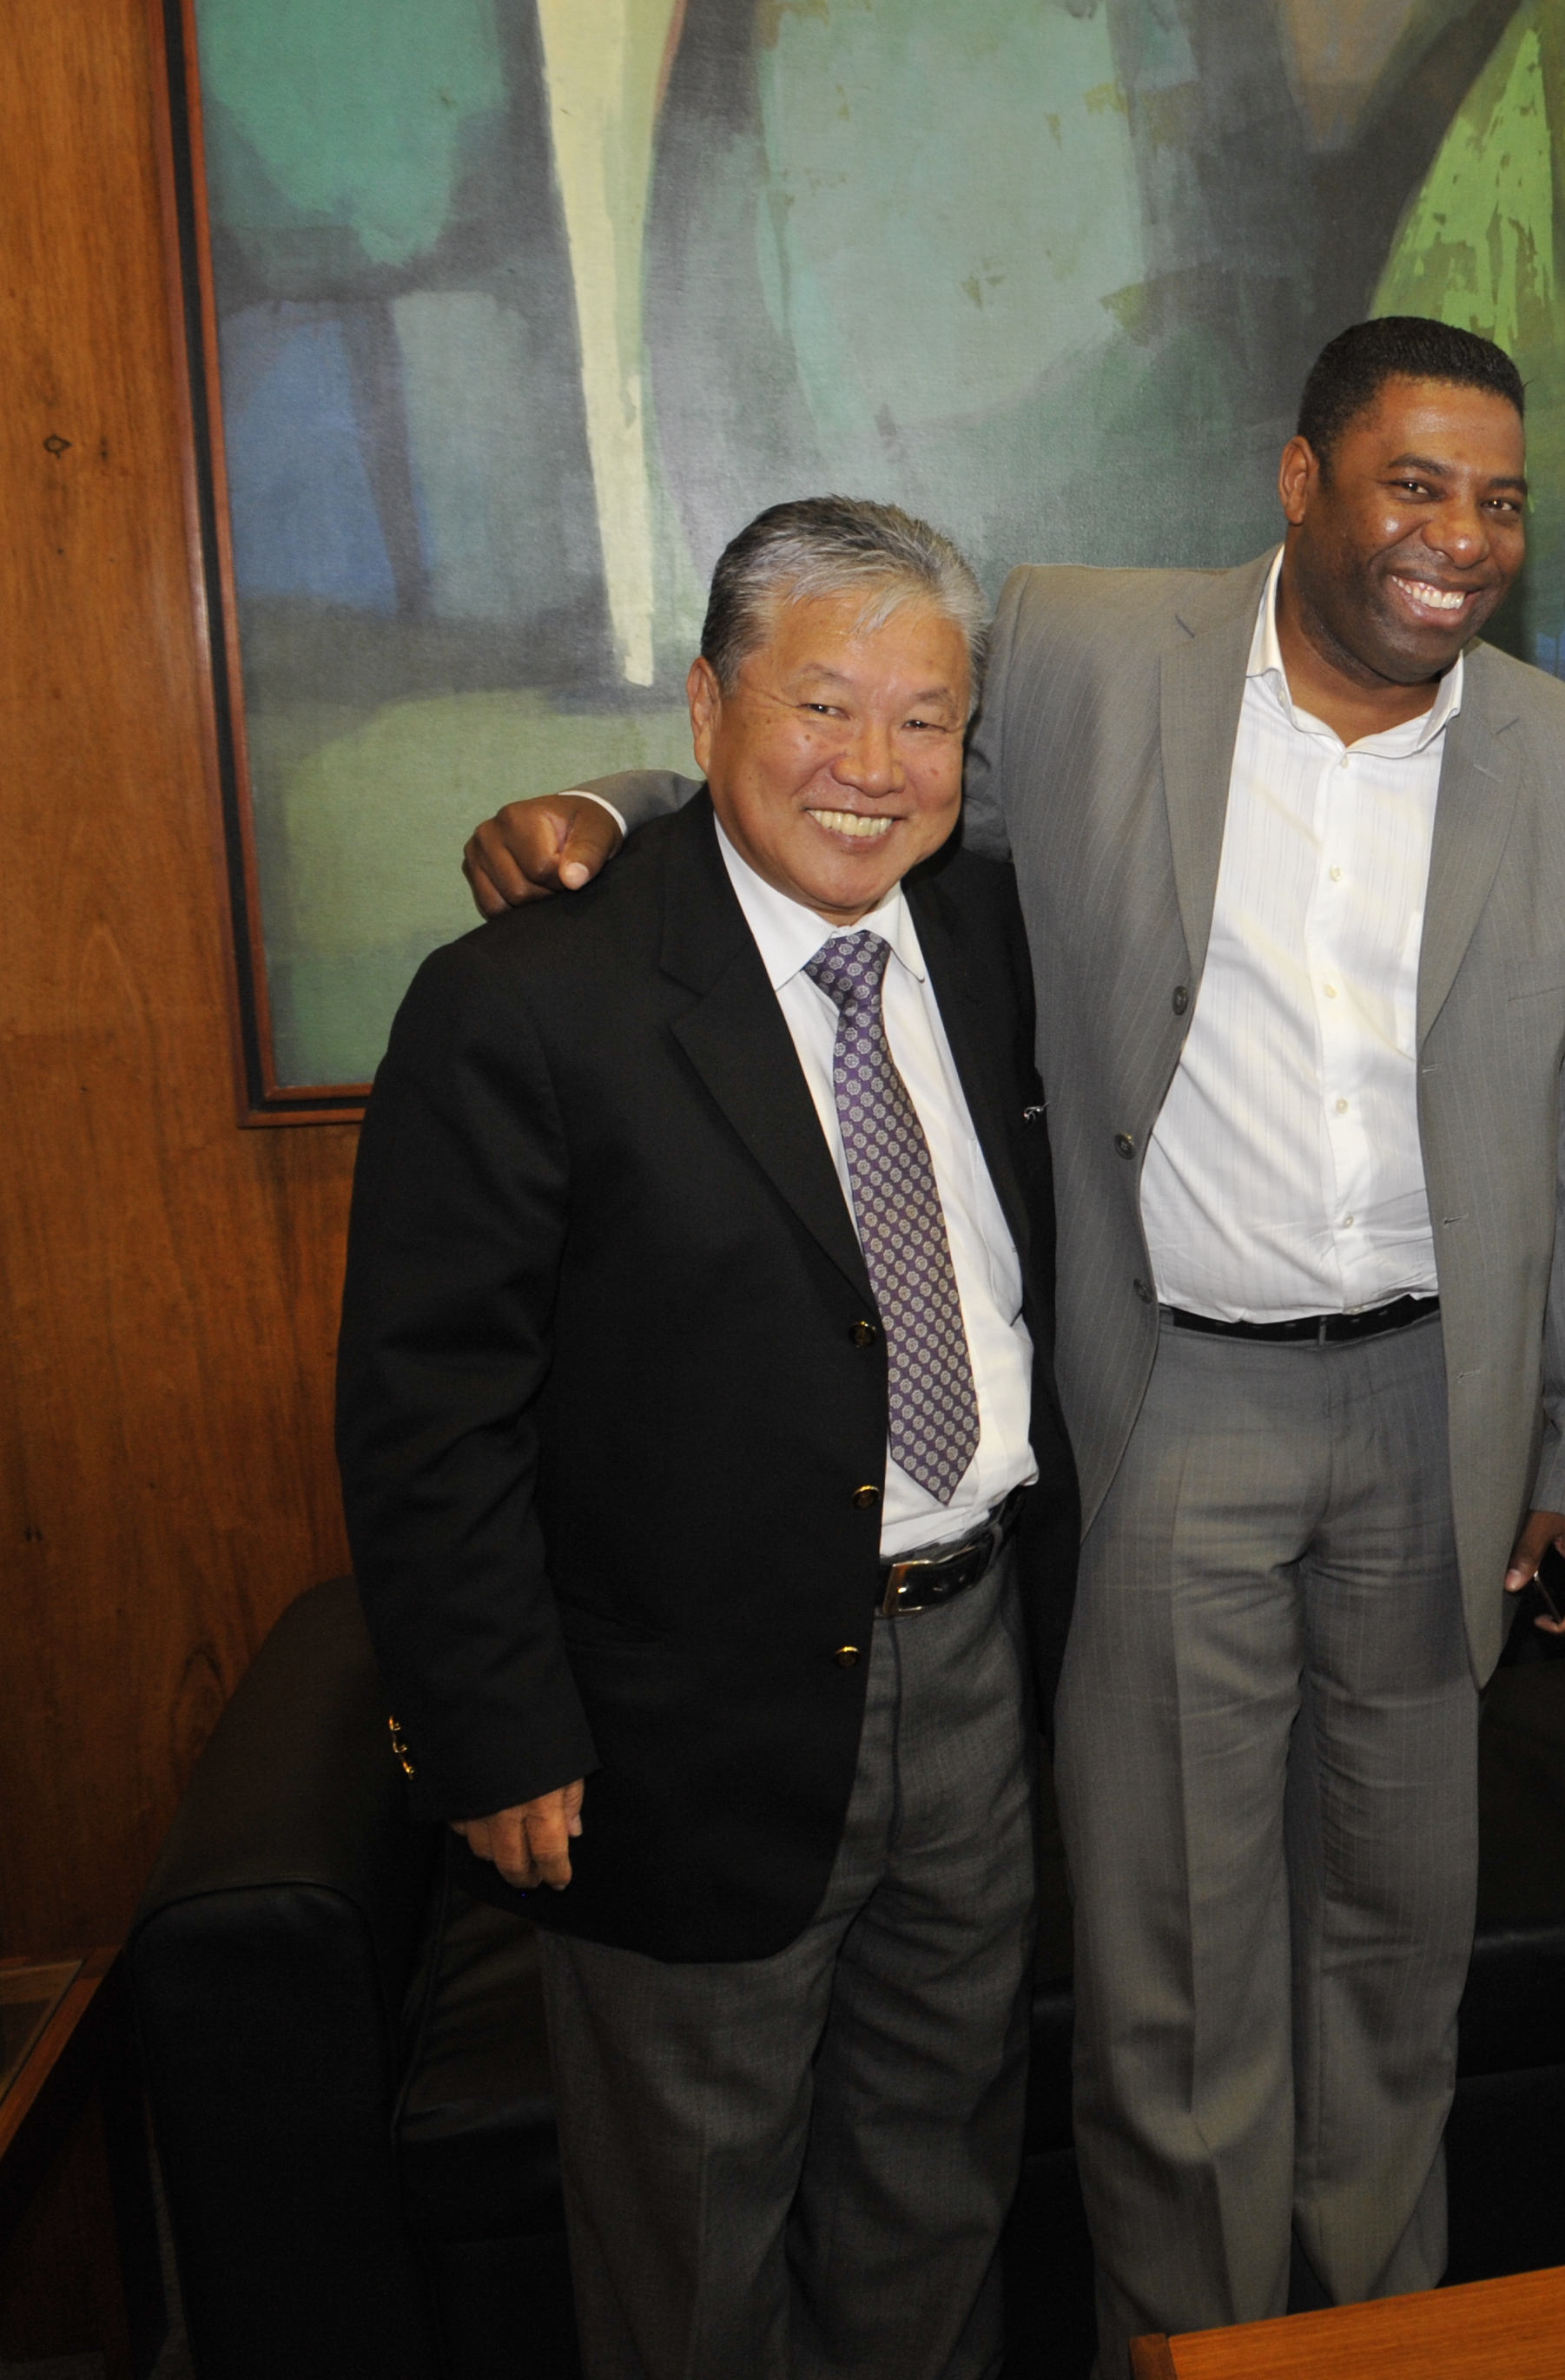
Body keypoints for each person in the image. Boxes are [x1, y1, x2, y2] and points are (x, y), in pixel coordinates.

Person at [460, 319, 1565, 2357]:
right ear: (1300, 485)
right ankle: (1186, 2349)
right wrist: (605, 799)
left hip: (1436, 1414)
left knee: (1396, 1954)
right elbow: (849, 772)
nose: (1458, 537)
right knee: (1176, 1972)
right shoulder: (1095, 655)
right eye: (1413, 484)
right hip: (1176, 1402)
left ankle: (1374, 2340)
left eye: (1498, 499)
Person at [343, 498, 1074, 2379]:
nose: (873, 766)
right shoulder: (529, 1002)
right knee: (692, 2252)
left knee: (937, 2195)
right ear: (703, 707)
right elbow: (433, 1412)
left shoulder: (988, 935)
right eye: (824, 706)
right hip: (681, 1723)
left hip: (980, 1667)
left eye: (927, 721)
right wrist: (497, 1729)